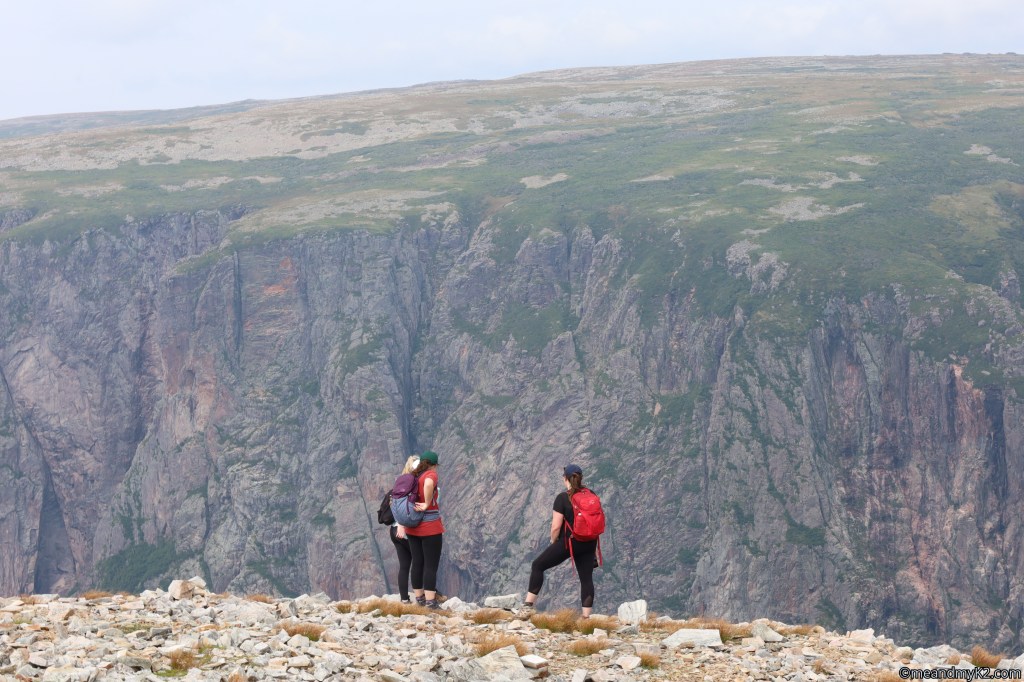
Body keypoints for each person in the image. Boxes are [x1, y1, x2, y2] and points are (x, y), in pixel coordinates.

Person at [519, 464, 598, 618]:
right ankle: (586, 618)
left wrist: (553, 541)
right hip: (589, 543)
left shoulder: (562, 498)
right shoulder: (591, 494)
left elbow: (556, 527)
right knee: (586, 579)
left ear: (565, 478)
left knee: (538, 565)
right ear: (580, 478)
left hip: (569, 542)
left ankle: (527, 607)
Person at [406, 450, 444, 609]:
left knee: (417, 563)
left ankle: (419, 599)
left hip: (412, 527)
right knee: (430, 565)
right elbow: (429, 484)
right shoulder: (430, 474)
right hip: (430, 528)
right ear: (434, 465)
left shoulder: (413, 476)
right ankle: (430, 602)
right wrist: (427, 503)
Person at [389, 455, 420, 604]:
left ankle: (404, 599)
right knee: (420, 561)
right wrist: (402, 525)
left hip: (393, 529)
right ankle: (424, 595)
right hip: (404, 530)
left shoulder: (398, 483)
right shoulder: (412, 483)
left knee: (405, 565)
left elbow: (393, 505)